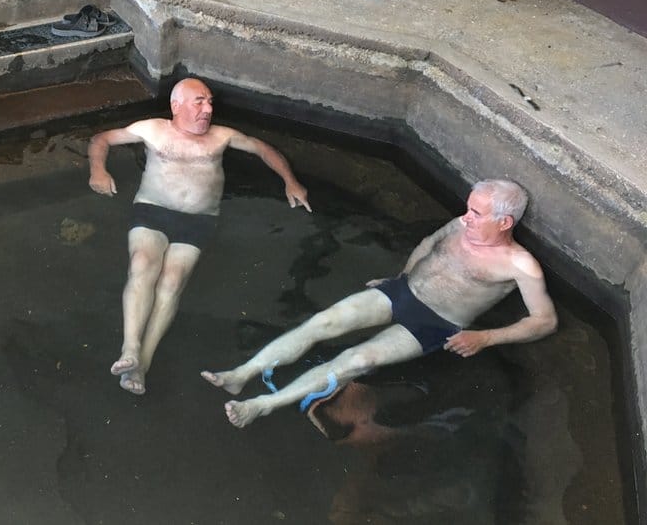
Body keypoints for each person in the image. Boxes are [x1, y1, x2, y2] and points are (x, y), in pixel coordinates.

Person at [202, 179, 558, 427]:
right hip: (402, 290)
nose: (466, 217)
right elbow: (426, 245)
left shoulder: (519, 265)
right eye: (468, 208)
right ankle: (242, 374)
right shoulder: (459, 225)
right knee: (323, 322)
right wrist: (399, 278)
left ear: (504, 222)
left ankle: (262, 405)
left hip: (436, 322)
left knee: (358, 359)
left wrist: (485, 337)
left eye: (477, 213)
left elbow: (544, 321)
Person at [88, 78, 313, 395]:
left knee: (172, 281)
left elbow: (262, 148)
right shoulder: (152, 129)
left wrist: (290, 181)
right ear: (176, 105)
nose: (208, 109)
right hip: (153, 210)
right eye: (199, 102)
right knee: (142, 265)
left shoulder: (222, 136)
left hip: (198, 220)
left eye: (209, 102)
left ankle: (143, 362)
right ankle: (130, 348)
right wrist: (98, 170)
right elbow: (102, 139)